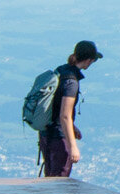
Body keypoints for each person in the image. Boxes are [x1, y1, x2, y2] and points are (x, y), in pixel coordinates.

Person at [39, 41, 102, 178]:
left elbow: (55, 106)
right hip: (59, 139)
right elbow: (65, 116)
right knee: (59, 181)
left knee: (50, 178)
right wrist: (73, 147)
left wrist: (72, 127)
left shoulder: (61, 70)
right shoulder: (71, 82)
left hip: (45, 133)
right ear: (88, 60)